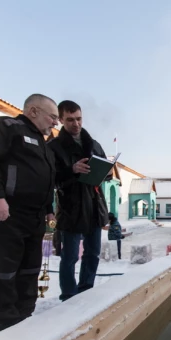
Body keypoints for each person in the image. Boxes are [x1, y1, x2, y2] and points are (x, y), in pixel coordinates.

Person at [0, 93, 58, 333]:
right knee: (3, 269)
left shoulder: (44, 146)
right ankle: (5, 322)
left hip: (35, 217)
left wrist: (49, 209)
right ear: (33, 111)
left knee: (30, 268)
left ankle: (24, 314)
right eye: (53, 116)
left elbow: (45, 181)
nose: (55, 123)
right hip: (7, 214)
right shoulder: (5, 127)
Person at [47, 100, 110, 301]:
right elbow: (50, 179)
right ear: (61, 120)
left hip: (93, 205)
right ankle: (68, 296)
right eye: (70, 120)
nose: (76, 124)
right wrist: (72, 170)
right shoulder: (54, 147)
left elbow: (106, 174)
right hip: (71, 208)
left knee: (92, 254)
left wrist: (106, 172)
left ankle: (86, 291)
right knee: (70, 257)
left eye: (79, 119)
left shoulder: (94, 145)